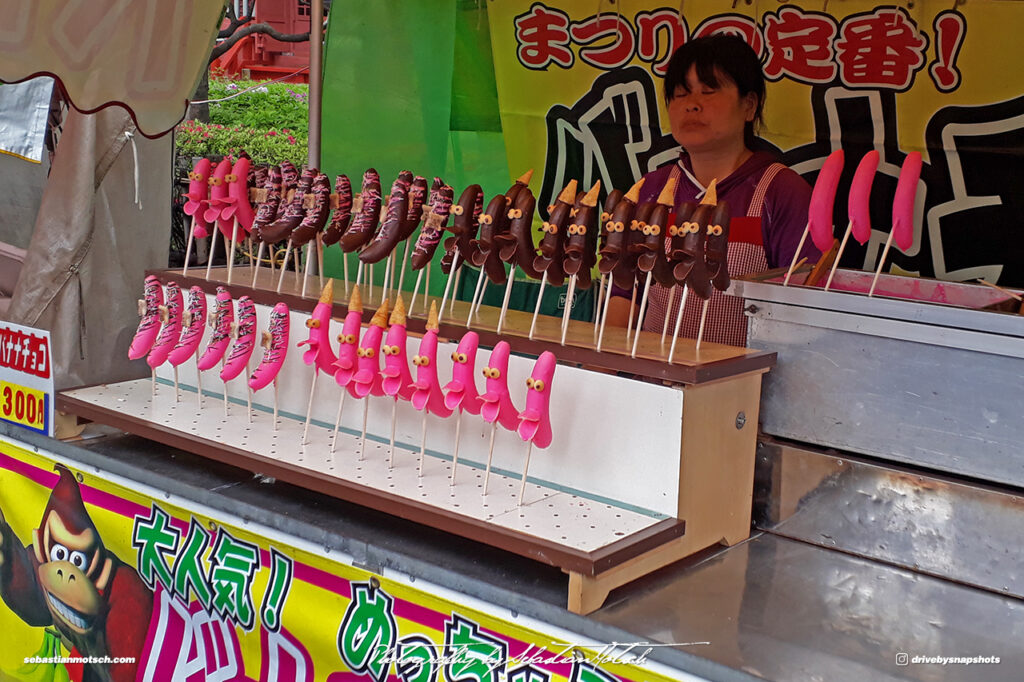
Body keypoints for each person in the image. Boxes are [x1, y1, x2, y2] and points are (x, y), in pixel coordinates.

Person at [606, 34, 821, 347]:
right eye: (680, 94)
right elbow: (625, 292)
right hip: (654, 381)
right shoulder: (650, 190)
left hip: (744, 388)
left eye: (708, 91)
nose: (692, 105)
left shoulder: (782, 191)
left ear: (749, 106)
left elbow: (804, 311)